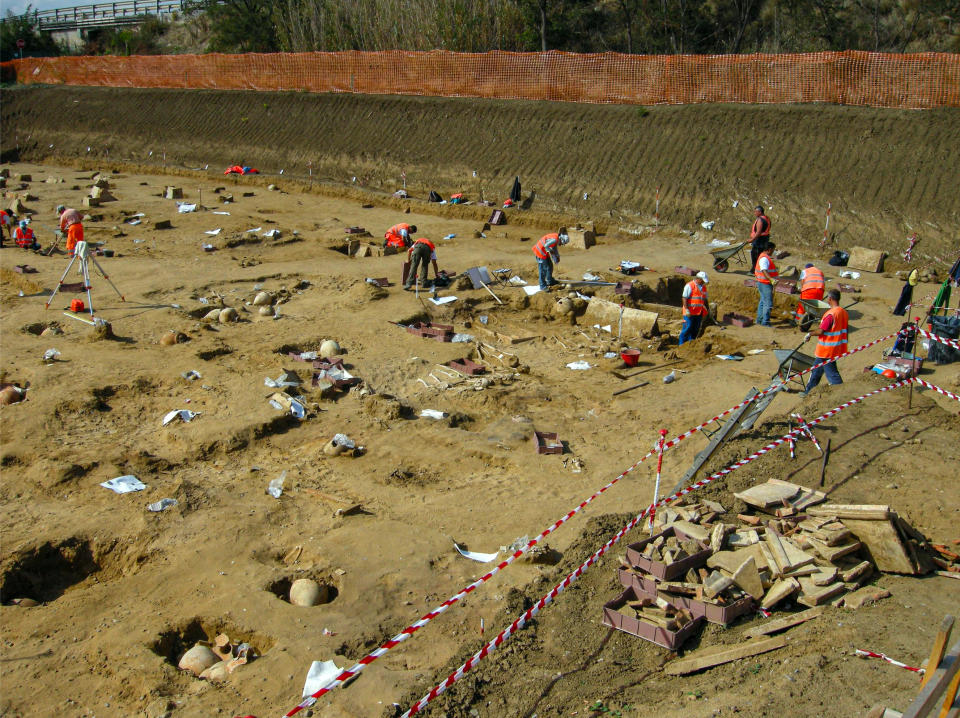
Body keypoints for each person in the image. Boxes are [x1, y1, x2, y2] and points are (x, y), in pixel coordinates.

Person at [803, 289, 848, 394]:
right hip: (836, 347)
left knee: (833, 375)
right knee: (816, 370)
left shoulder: (830, 314)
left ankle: (841, 392)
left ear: (830, 298)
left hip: (827, 350)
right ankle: (808, 391)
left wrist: (809, 334)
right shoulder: (843, 312)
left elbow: (821, 331)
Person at [679, 271, 709, 344]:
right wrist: (687, 310)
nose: (703, 283)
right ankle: (681, 345)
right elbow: (684, 298)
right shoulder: (690, 286)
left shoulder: (703, 287)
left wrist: (708, 310)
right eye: (702, 281)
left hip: (698, 313)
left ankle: (690, 344)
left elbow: (704, 299)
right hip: (689, 312)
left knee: (695, 329)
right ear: (698, 279)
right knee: (687, 328)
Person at [754, 241, 778, 326]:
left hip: (762, 283)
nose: (773, 252)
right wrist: (771, 279)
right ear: (769, 249)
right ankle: (765, 322)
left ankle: (759, 320)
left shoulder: (763, 257)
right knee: (768, 303)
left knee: (763, 302)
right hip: (765, 284)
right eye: (773, 250)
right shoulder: (764, 259)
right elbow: (764, 270)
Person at [794, 262, 825, 327]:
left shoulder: (805, 271)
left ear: (806, 267)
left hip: (809, 290)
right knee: (815, 306)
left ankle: (797, 321)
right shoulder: (820, 271)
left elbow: (803, 283)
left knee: (802, 306)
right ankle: (814, 320)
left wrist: (802, 290)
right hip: (820, 290)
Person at [750, 205, 771, 271]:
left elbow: (758, 232)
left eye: (756, 211)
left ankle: (754, 269)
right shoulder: (767, 218)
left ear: (760, 212)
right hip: (765, 239)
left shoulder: (760, 220)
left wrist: (752, 239)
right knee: (761, 255)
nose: (755, 213)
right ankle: (759, 269)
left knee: (755, 254)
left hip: (759, 240)